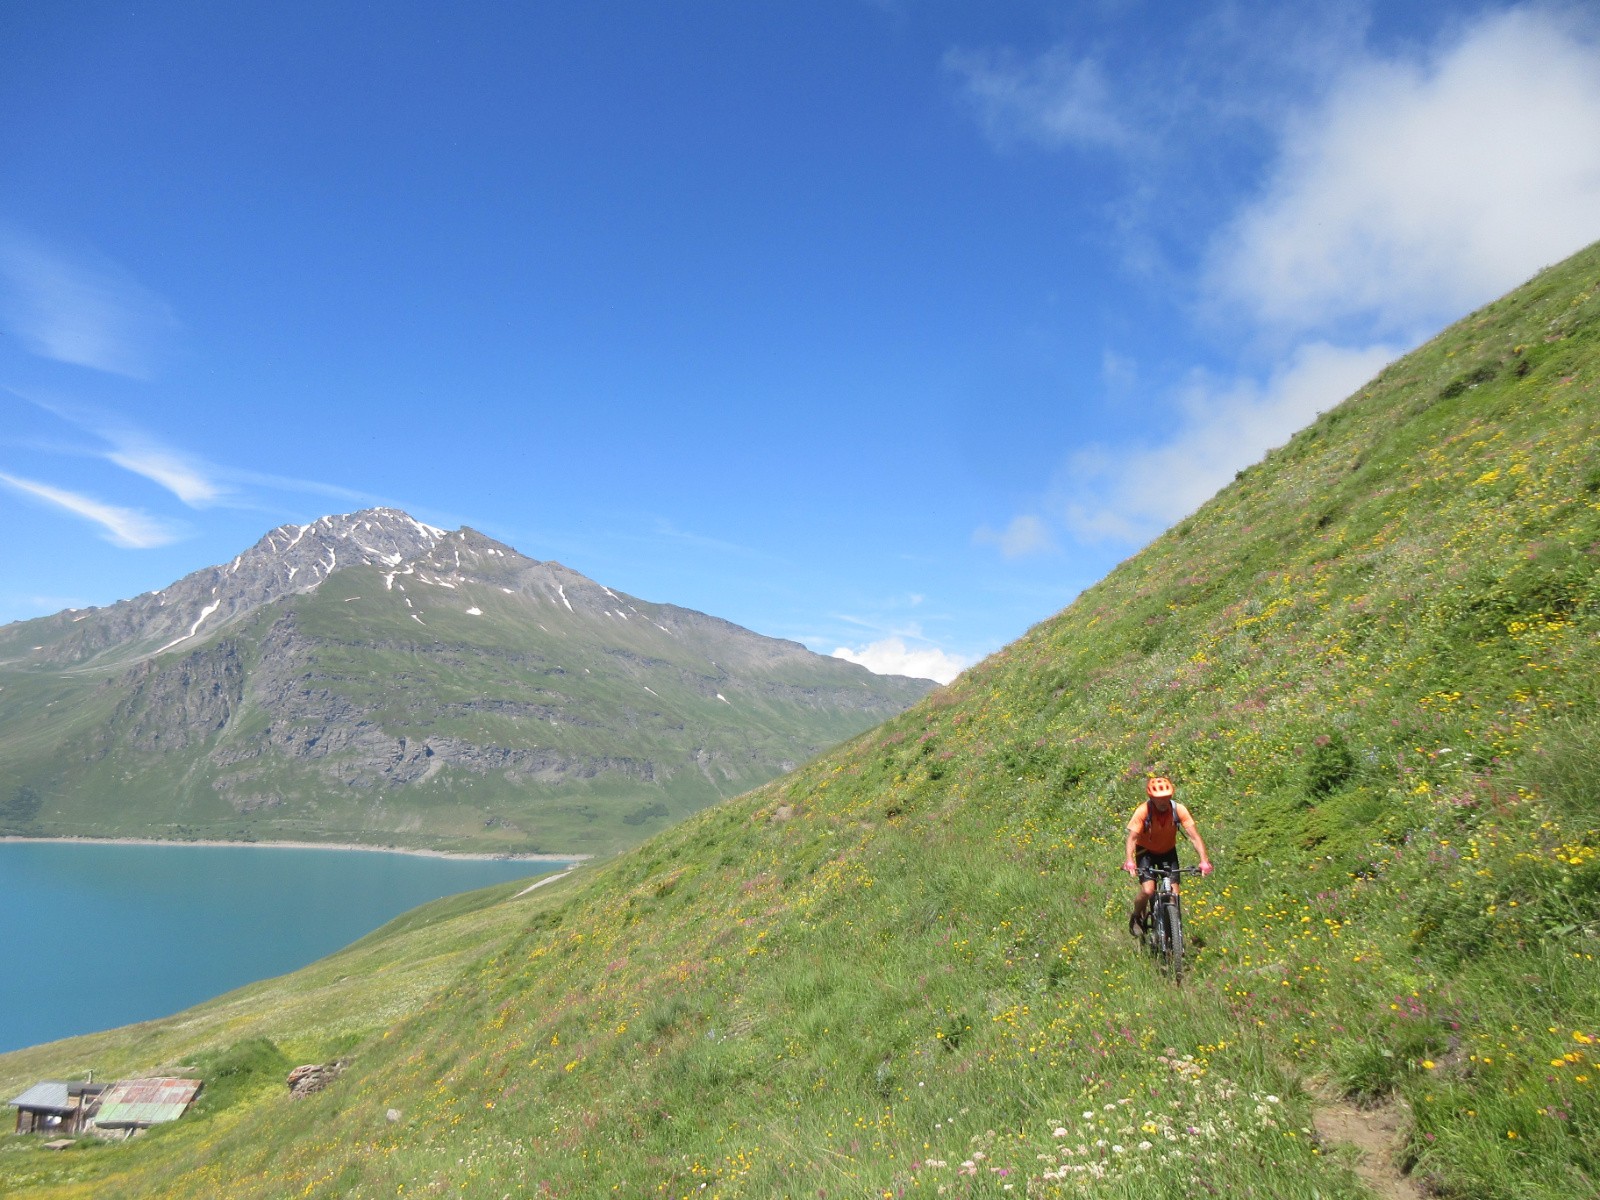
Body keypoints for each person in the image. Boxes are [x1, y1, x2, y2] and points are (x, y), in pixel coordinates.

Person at [1123, 776, 1212, 935]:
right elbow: (1132, 838)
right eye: (1159, 799)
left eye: (1166, 797)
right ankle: (1136, 916)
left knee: (1174, 896)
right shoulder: (1143, 811)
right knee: (1148, 890)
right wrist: (1130, 861)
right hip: (1146, 852)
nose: (1163, 801)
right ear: (1151, 798)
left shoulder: (1179, 810)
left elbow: (1194, 837)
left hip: (1168, 852)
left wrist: (1204, 861)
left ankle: (1173, 937)